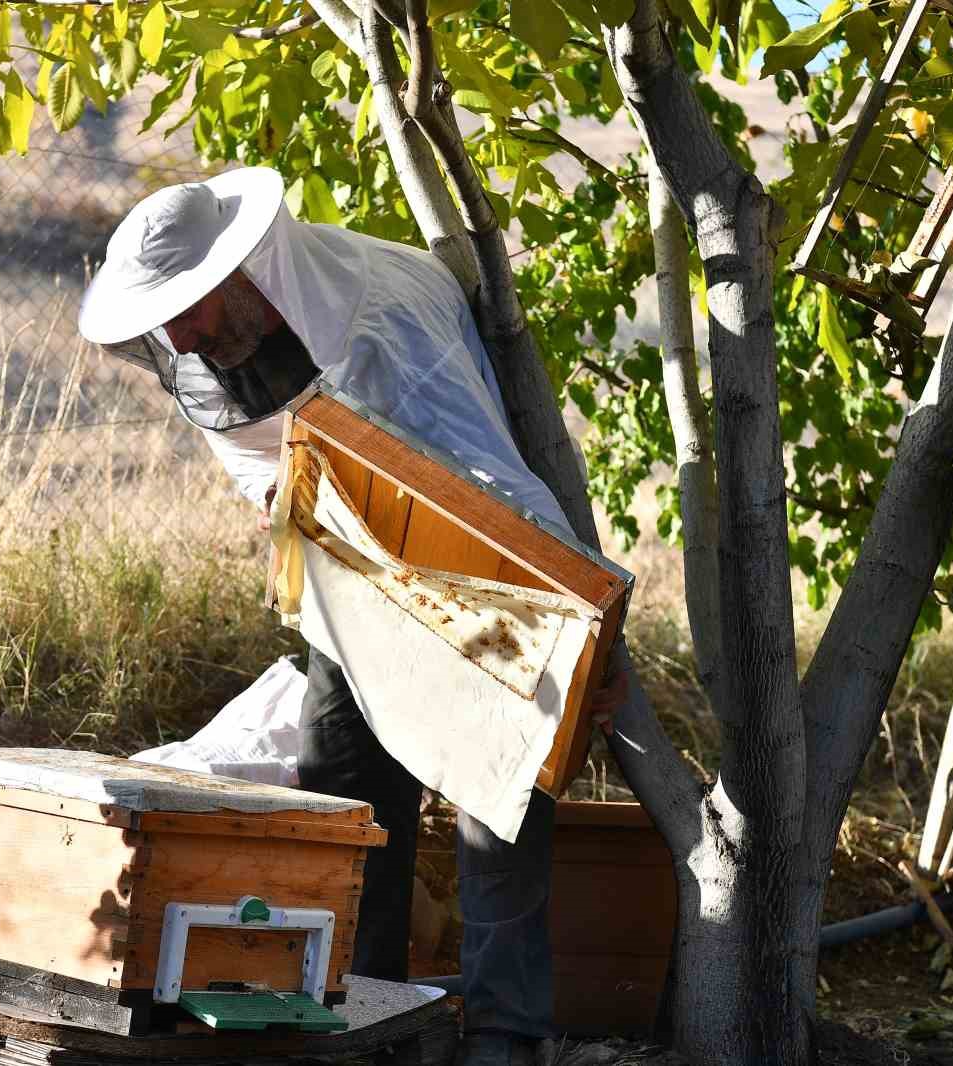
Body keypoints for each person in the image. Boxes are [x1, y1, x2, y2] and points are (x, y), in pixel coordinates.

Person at [78, 167, 622, 1066]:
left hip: (475, 559)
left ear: (244, 271)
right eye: (163, 321)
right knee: (343, 778)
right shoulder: (206, 347)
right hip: (348, 563)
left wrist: (583, 632)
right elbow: (256, 459)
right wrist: (285, 500)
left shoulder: (382, 326)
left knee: (498, 769)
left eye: (189, 309)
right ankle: (364, 1016)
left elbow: (490, 482)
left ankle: (505, 1032)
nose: (180, 337)